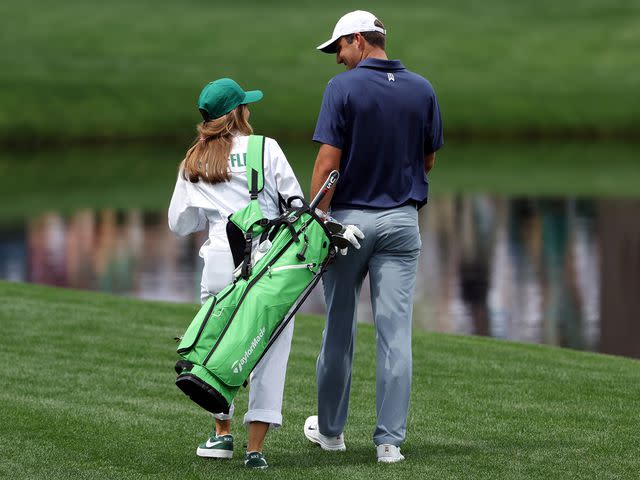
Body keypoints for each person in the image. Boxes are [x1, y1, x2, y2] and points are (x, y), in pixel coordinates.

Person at [303, 10, 444, 463]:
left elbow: (327, 165)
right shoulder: (422, 89)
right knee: (396, 336)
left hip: (348, 225)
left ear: (359, 40)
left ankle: (331, 434)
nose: (338, 59)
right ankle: (388, 444)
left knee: (338, 331)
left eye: (340, 48)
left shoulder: (341, 89)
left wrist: (314, 220)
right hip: (402, 224)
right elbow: (427, 161)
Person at [169, 78, 304, 469]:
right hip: (266, 266)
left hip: (217, 263)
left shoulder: (194, 158)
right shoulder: (266, 147)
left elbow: (179, 222)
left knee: (217, 352)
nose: (250, 110)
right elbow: (295, 205)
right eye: (245, 105)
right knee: (269, 353)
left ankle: (222, 436)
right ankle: (255, 450)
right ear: (236, 113)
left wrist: (210, 211)